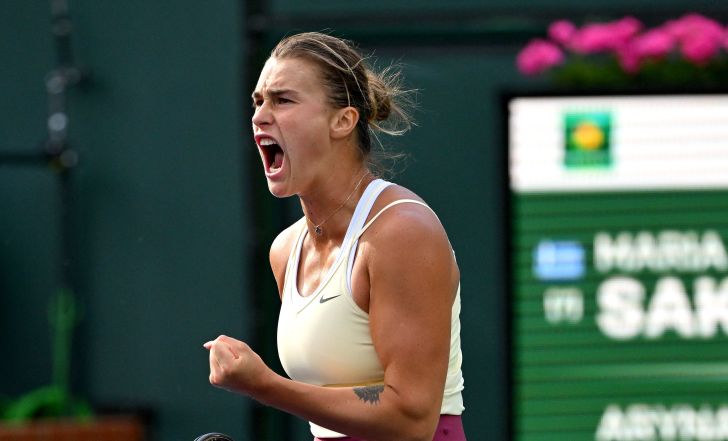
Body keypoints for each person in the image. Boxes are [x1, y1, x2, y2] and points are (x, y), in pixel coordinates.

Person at [204, 31, 466, 441]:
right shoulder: (286, 250)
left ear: (343, 120)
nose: (259, 116)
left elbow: (411, 418)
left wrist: (264, 385)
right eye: (258, 102)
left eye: (282, 100)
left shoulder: (402, 232)